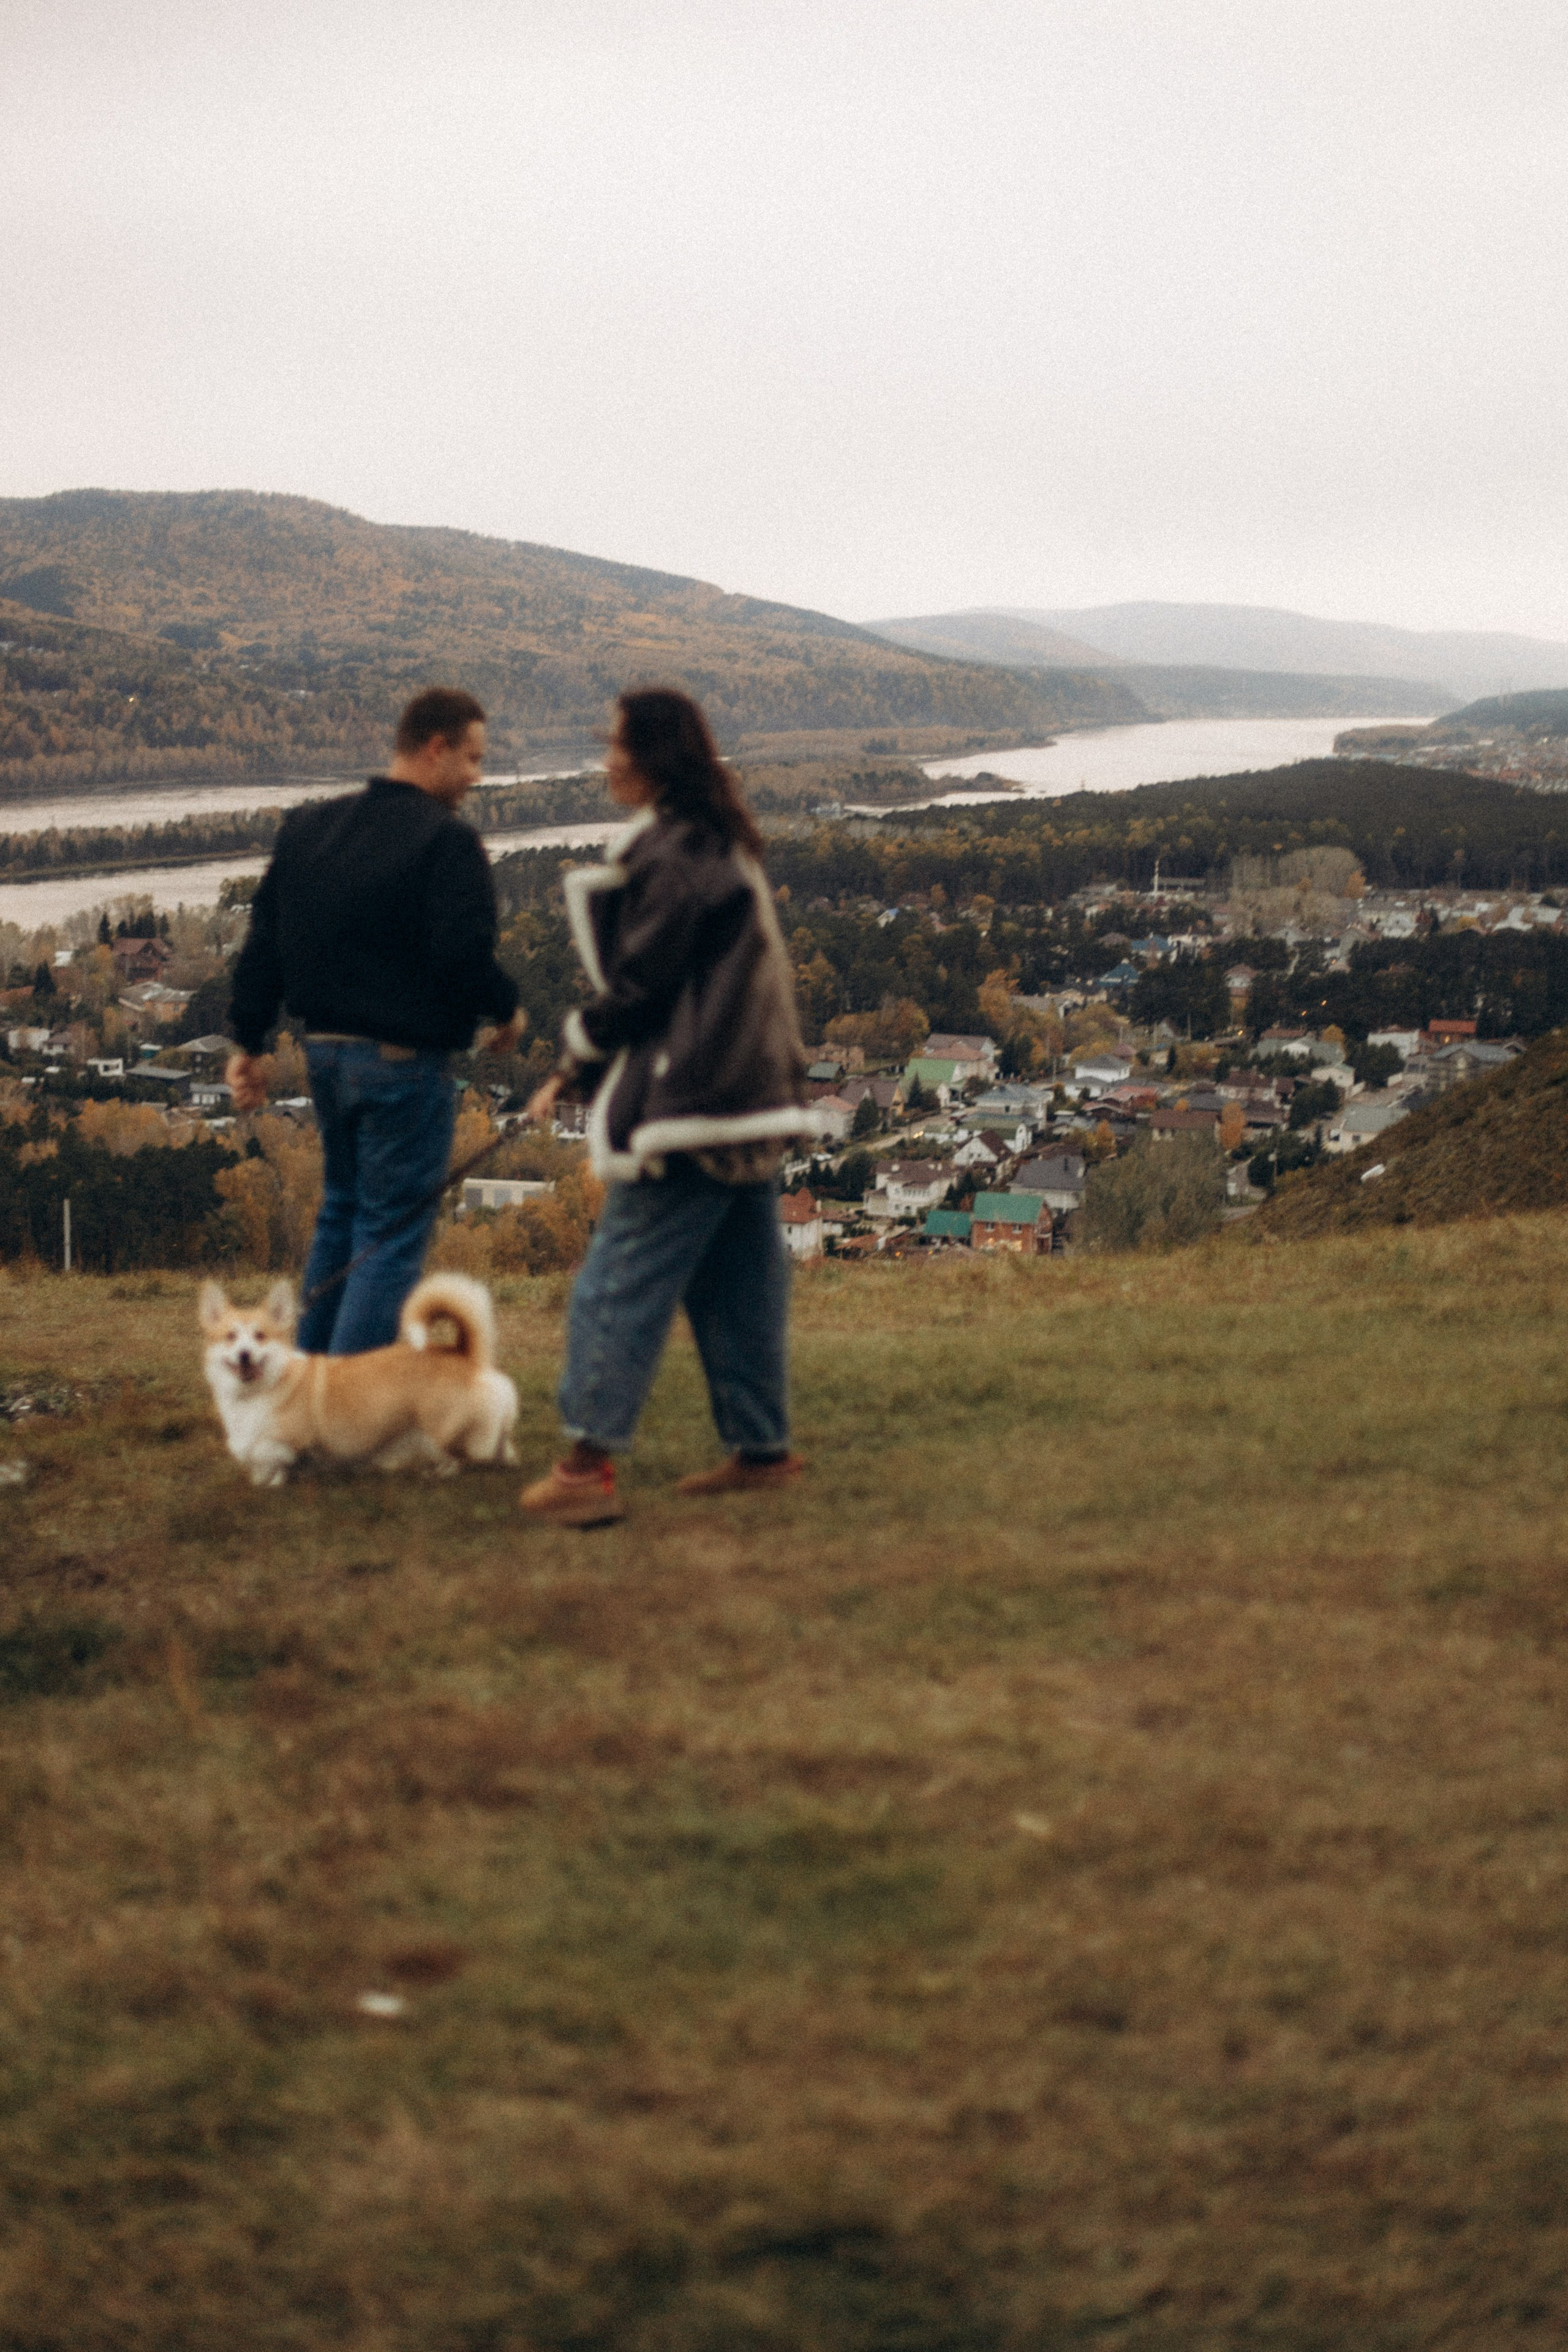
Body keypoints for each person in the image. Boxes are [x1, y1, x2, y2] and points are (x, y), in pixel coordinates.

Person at [519, 687, 816, 1526]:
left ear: (650, 755)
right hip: (752, 1097)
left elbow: (642, 987)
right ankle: (762, 1452)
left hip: (699, 1105)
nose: (605, 759)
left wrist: (573, 1060)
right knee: (740, 1286)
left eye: (614, 744)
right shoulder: (719, 842)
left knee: (617, 1282)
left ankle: (584, 1471)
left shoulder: (674, 852)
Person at [226, 686, 524, 1354]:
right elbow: (463, 954)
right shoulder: (446, 842)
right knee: (388, 1234)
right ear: (436, 746)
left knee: (342, 1214)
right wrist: (506, 1008)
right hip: (402, 1066)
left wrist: (247, 1041)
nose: (477, 776)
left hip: (326, 1058)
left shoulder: (310, 827)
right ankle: (350, 1411)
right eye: (473, 758)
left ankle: (312, 1392)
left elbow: (264, 944)